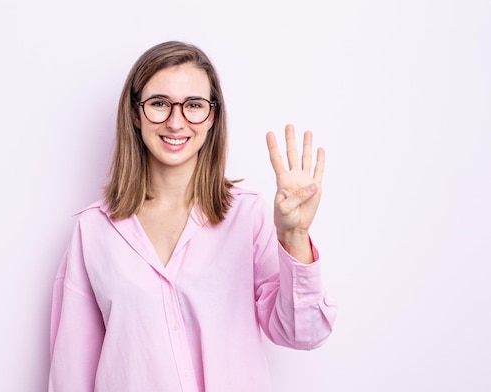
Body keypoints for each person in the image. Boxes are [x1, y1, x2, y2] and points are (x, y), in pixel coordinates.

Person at [48, 41, 337, 392]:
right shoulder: (93, 231)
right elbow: (71, 374)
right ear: (136, 114)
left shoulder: (248, 217)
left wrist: (294, 237)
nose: (175, 121)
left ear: (212, 116)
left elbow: (302, 334)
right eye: (159, 104)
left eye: (194, 105)